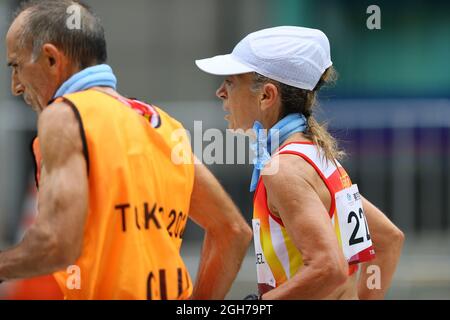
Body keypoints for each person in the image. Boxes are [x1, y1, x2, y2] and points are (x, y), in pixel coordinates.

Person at [0, 0, 252, 300]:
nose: (15, 85)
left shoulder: (65, 116)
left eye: (16, 66)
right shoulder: (165, 126)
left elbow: (57, 244)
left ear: (52, 59)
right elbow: (233, 231)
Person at [196, 26, 404, 299]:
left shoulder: (284, 169)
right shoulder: (314, 154)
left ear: (266, 96)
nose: (220, 92)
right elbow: (389, 240)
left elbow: (329, 268)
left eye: (232, 82)